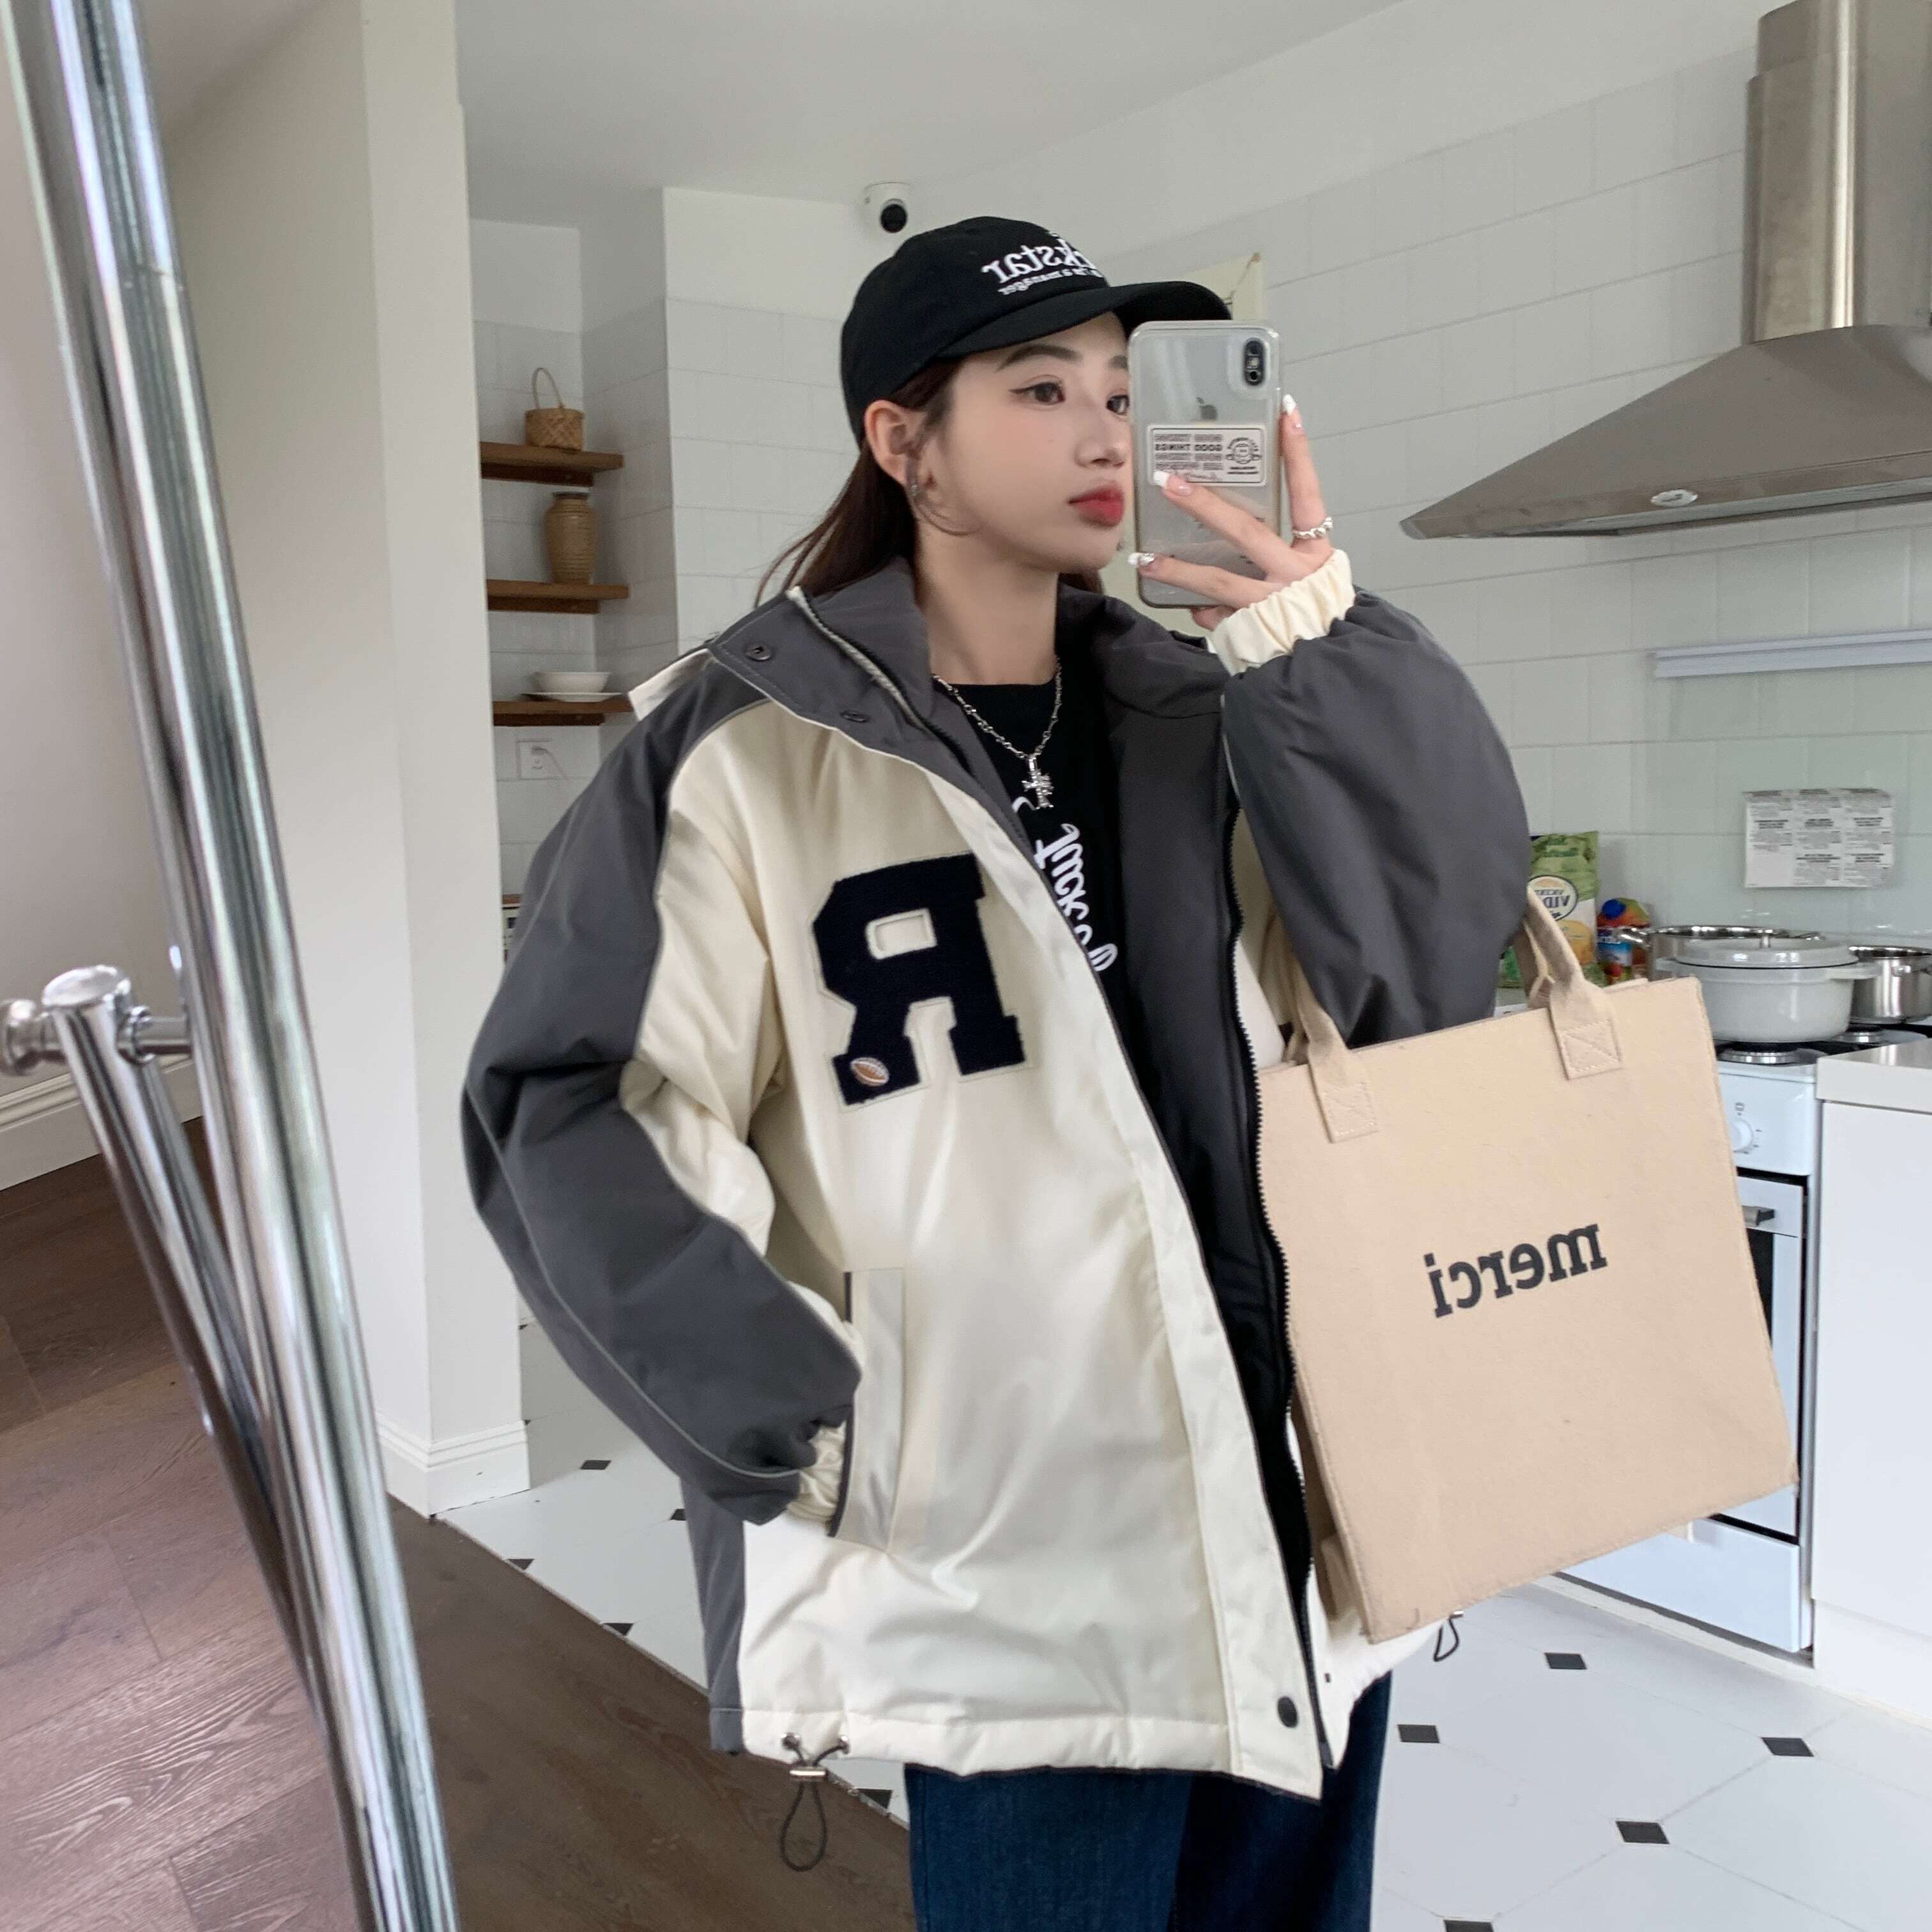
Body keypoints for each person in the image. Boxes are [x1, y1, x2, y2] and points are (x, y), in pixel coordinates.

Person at [461, 213, 1529, 1929]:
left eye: (1120, 387)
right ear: (907, 445)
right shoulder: (742, 752)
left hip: (1299, 1513)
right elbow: (578, 1105)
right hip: (1015, 1565)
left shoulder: (1215, 710)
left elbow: (1425, 973)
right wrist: (813, 1425)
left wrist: (1317, 645)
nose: (1106, 429)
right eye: (1042, 389)